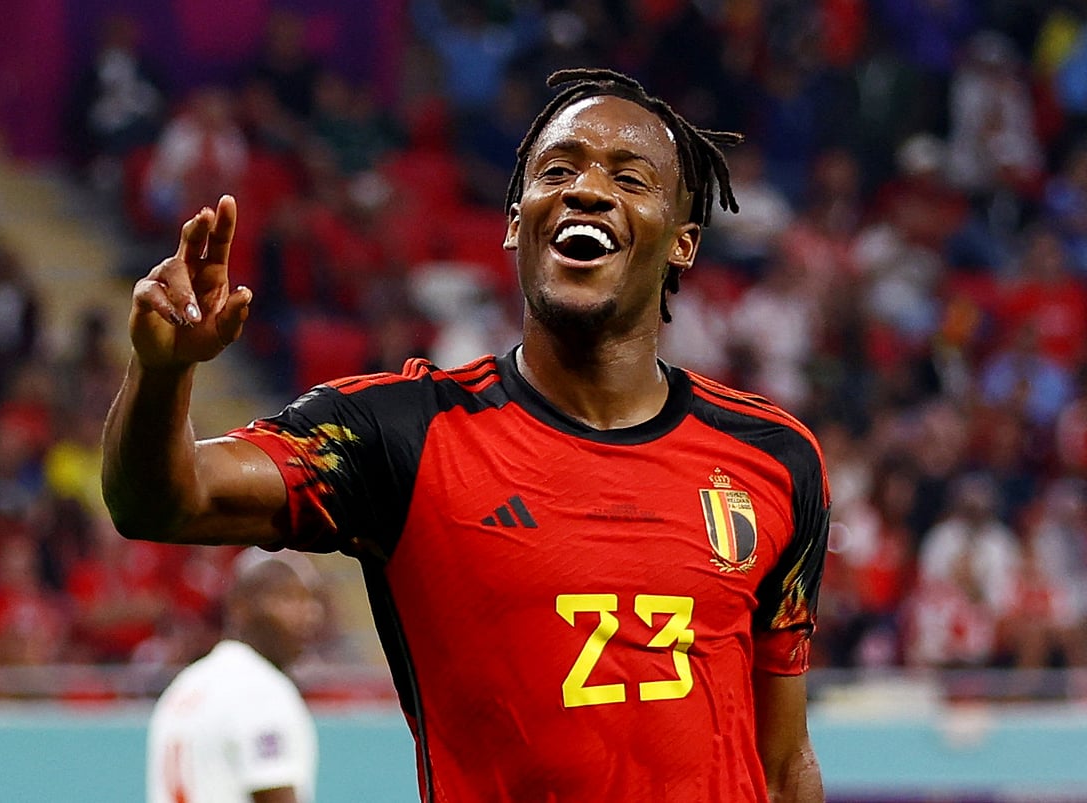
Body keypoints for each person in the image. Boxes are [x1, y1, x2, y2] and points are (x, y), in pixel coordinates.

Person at [104, 68, 830, 802]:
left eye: (631, 178)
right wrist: (161, 372)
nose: (586, 188)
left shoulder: (772, 459)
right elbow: (161, 502)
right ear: (516, 223)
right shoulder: (402, 435)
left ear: (682, 242)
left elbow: (783, 763)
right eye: (558, 169)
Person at [145, 548, 322, 803]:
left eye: (309, 600)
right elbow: (273, 792)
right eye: (287, 598)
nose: (308, 614)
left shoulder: (185, 685)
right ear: (240, 606)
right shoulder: (261, 688)